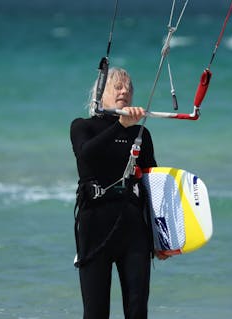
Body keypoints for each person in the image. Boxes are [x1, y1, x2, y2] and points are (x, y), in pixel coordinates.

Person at [70, 67, 168, 319]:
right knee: (96, 313)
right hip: (95, 227)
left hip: (133, 230)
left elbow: (151, 183)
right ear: (100, 93)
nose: (124, 91)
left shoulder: (141, 133)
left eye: (128, 88)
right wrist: (120, 125)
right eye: (117, 86)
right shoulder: (83, 127)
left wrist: (162, 238)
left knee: (137, 312)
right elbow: (86, 154)